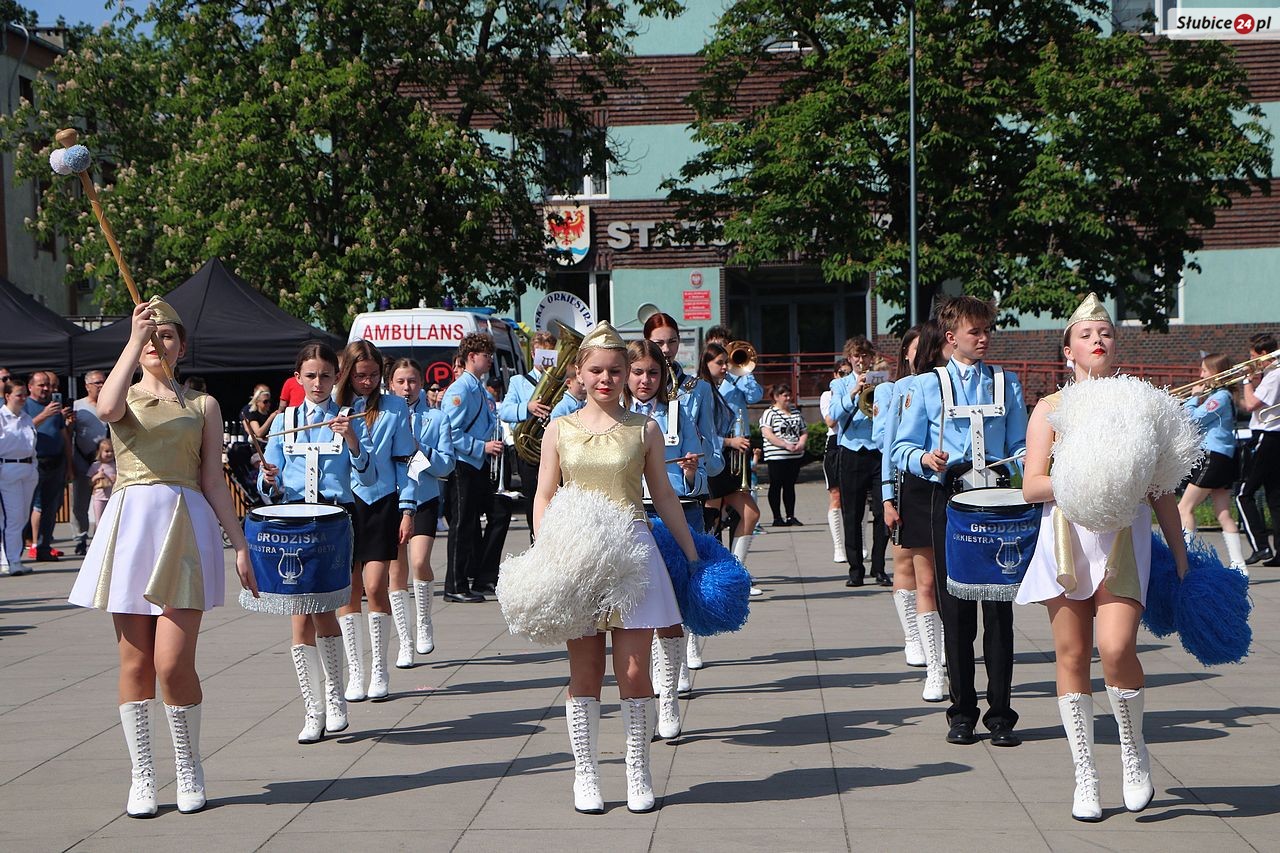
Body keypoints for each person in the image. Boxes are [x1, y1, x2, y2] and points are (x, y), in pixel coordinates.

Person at [68, 298, 254, 817]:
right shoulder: (122, 395)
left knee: (172, 664)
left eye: (166, 335)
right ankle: (143, 774)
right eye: (151, 335)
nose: (157, 342)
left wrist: (240, 545)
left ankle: (189, 764)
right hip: (131, 527)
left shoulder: (203, 405)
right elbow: (106, 410)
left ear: (182, 346)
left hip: (185, 528)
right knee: (136, 662)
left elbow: (212, 480)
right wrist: (134, 337)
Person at [1016, 292, 1188, 821]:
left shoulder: (1143, 405)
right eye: (1086, 334)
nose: (1097, 340)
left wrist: (1181, 556)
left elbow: (1161, 490)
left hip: (1123, 544)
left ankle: (1134, 752)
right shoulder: (1050, 408)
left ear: (1116, 346)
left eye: (1106, 333)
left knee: (1115, 649)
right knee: (1071, 657)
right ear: (1068, 350)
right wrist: (1084, 477)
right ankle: (1085, 776)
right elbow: (1031, 486)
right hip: (1065, 541)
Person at [534, 321, 698, 813]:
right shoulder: (559, 428)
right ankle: (585, 772)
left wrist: (692, 554)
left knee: (633, 669)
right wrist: (547, 549)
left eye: (615, 371)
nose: (605, 379)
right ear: (579, 373)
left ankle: (637, 769)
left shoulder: (644, 429)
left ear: (627, 373)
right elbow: (544, 494)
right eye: (596, 371)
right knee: (584, 669)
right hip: (577, 555)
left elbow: (662, 494)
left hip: (633, 553)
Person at [892, 296, 1027, 748]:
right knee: (956, 612)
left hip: (997, 505)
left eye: (988, 330)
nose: (984, 338)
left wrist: (1028, 464)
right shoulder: (926, 386)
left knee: (999, 612)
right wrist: (924, 458)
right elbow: (901, 447)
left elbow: (1020, 444)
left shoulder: (1006, 382)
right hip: (949, 503)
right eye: (975, 332)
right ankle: (963, 711)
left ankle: (1002, 715)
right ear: (951, 337)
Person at [260, 342, 375, 742]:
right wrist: (269, 478)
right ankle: (313, 708)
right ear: (298, 378)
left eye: (325, 375)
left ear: (337, 377)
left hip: (332, 521)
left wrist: (354, 442)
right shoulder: (284, 420)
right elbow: (268, 481)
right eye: (310, 376)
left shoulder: (348, 416)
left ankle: (335, 698)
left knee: (325, 610)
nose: (317, 383)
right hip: (293, 522)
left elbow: (368, 475)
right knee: (298, 616)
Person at [625, 339, 706, 739]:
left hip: (674, 514)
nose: (645, 380)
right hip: (628, 518)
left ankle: (669, 696)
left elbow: (703, 470)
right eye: (637, 372)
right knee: (636, 615)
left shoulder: (677, 412)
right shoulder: (614, 415)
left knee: (672, 612)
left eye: (653, 373)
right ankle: (648, 694)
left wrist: (690, 471)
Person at [334, 341, 415, 702]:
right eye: (360, 375)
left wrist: (408, 508)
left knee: (376, 584)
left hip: (383, 499)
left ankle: (380, 668)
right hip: (344, 502)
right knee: (348, 589)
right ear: (347, 374)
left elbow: (406, 460)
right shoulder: (335, 408)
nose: (367, 382)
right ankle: (356, 672)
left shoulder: (395, 407)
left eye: (373, 375)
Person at [872, 325, 934, 671]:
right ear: (906, 353)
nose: (922, 354)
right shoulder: (893, 389)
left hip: (936, 481)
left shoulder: (941, 383)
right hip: (900, 478)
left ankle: (935, 638)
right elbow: (885, 442)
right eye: (915, 348)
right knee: (904, 562)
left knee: (934, 572)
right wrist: (887, 498)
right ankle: (912, 636)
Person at [386, 358, 455, 665]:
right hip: (391, 498)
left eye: (412, 381)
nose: (407, 387)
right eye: (400, 381)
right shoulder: (384, 414)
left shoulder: (436, 418)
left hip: (424, 496)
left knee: (419, 561)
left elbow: (446, 466)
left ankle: (424, 620)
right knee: (395, 570)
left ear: (422, 383)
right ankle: (404, 640)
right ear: (390, 384)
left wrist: (420, 449)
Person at [442, 333, 505, 603]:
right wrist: (482, 447)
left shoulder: (477, 388)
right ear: (471, 357)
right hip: (464, 464)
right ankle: (455, 585)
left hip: (477, 464)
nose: (490, 360)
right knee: (462, 525)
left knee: (494, 516)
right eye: (486, 355)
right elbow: (451, 431)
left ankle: (481, 577)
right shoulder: (461, 390)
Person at [1177, 353, 1246, 572]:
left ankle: (1184, 560)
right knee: (1223, 513)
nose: (1201, 375)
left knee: (1183, 508)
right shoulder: (1221, 395)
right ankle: (1239, 565)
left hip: (1214, 456)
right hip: (1224, 456)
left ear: (1217, 373)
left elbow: (1194, 419)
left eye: (1205, 370)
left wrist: (1193, 398)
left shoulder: (1221, 396)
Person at [829, 338, 890, 587]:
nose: (861, 360)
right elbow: (833, 416)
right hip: (851, 450)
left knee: (882, 510)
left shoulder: (882, 380)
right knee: (852, 513)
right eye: (857, 356)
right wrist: (854, 391)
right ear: (849, 358)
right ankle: (855, 569)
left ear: (871, 358)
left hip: (877, 451)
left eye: (865, 356)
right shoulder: (839, 384)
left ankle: (879, 567)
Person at [501, 330, 557, 536]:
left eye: (550, 354)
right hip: (530, 452)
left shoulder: (560, 381)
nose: (546, 360)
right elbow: (505, 411)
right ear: (533, 354)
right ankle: (536, 539)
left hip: (555, 448)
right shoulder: (519, 381)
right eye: (542, 354)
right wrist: (527, 407)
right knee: (534, 499)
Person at [1237, 332, 1280, 567]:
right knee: (1274, 496)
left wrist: (1246, 381)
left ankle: (1260, 546)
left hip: (1266, 435)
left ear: (1264, 354)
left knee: (1244, 493)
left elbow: (1251, 405)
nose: (1251, 360)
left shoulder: (1274, 374)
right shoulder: (1270, 374)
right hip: (1273, 436)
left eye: (1253, 356)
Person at [25, 370, 72, 562]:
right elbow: (21, 431)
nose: (46, 388)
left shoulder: (54, 408)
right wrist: (43, 415)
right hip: (35, 463)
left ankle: (45, 547)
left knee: (51, 508)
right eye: (41, 385)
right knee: (32, 507)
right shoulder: (25, 406)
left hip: (56, 463)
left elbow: (64, 436)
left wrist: (69, 465)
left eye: (48, 385)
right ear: (30, 387)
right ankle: (26, 546)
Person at [0, 379, 38, 576]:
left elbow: (31, 446)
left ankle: (10, 558)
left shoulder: (26, 418)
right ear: (7, 396)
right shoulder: (1, 418)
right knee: (13, 518)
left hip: (28, 470)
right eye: (18, 395)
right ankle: (11, 560)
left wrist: (34, 469)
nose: (23, 398)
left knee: (22, 516)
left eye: (25, 394)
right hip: (8, 470)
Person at [71, 370, 109, 556]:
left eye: (103, 382)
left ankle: (103, 537)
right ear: (87, 386)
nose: (101, 386)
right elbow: (69, 432)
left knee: (106, 500)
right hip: (83, 459)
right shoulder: (78, 406)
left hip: (107, 462)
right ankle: (81, 537)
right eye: (97, 383)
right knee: (80, 502)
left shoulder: (110, 403)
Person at [760, 383, 808, 527]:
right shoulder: (770, 413)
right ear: (776, 397)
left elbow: (803, 431)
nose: (788, 398)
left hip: (794, 456)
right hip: (776, 456)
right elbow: (767, 433)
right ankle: (777, 517)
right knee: (776, 485)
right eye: (785, 395)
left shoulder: (795, 412)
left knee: (790, 486)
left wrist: (801, 443)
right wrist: (784, 444)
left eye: (789, 395)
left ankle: (790, 515)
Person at [820, 359, 851, 563]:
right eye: (841, 373)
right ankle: (839, 546)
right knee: (836, 495)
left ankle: (860, 544)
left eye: (848, 373)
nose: (845, 377)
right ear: (835, 375)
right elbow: (831, 421)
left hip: (853, 441)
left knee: (857, 496)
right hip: (834, 443)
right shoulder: (828, 395)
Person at [87, 437, 117, 530]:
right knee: (99, 521)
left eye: (112, 451)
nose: (110, 453)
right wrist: (97, 476)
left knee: (111, 521)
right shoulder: (96, 465)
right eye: (107, 451)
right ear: (100, 452)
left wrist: (116, 479)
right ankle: (97, 537)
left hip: (112, 498)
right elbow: (90, 482)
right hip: (99, 498)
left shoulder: (115, 466)